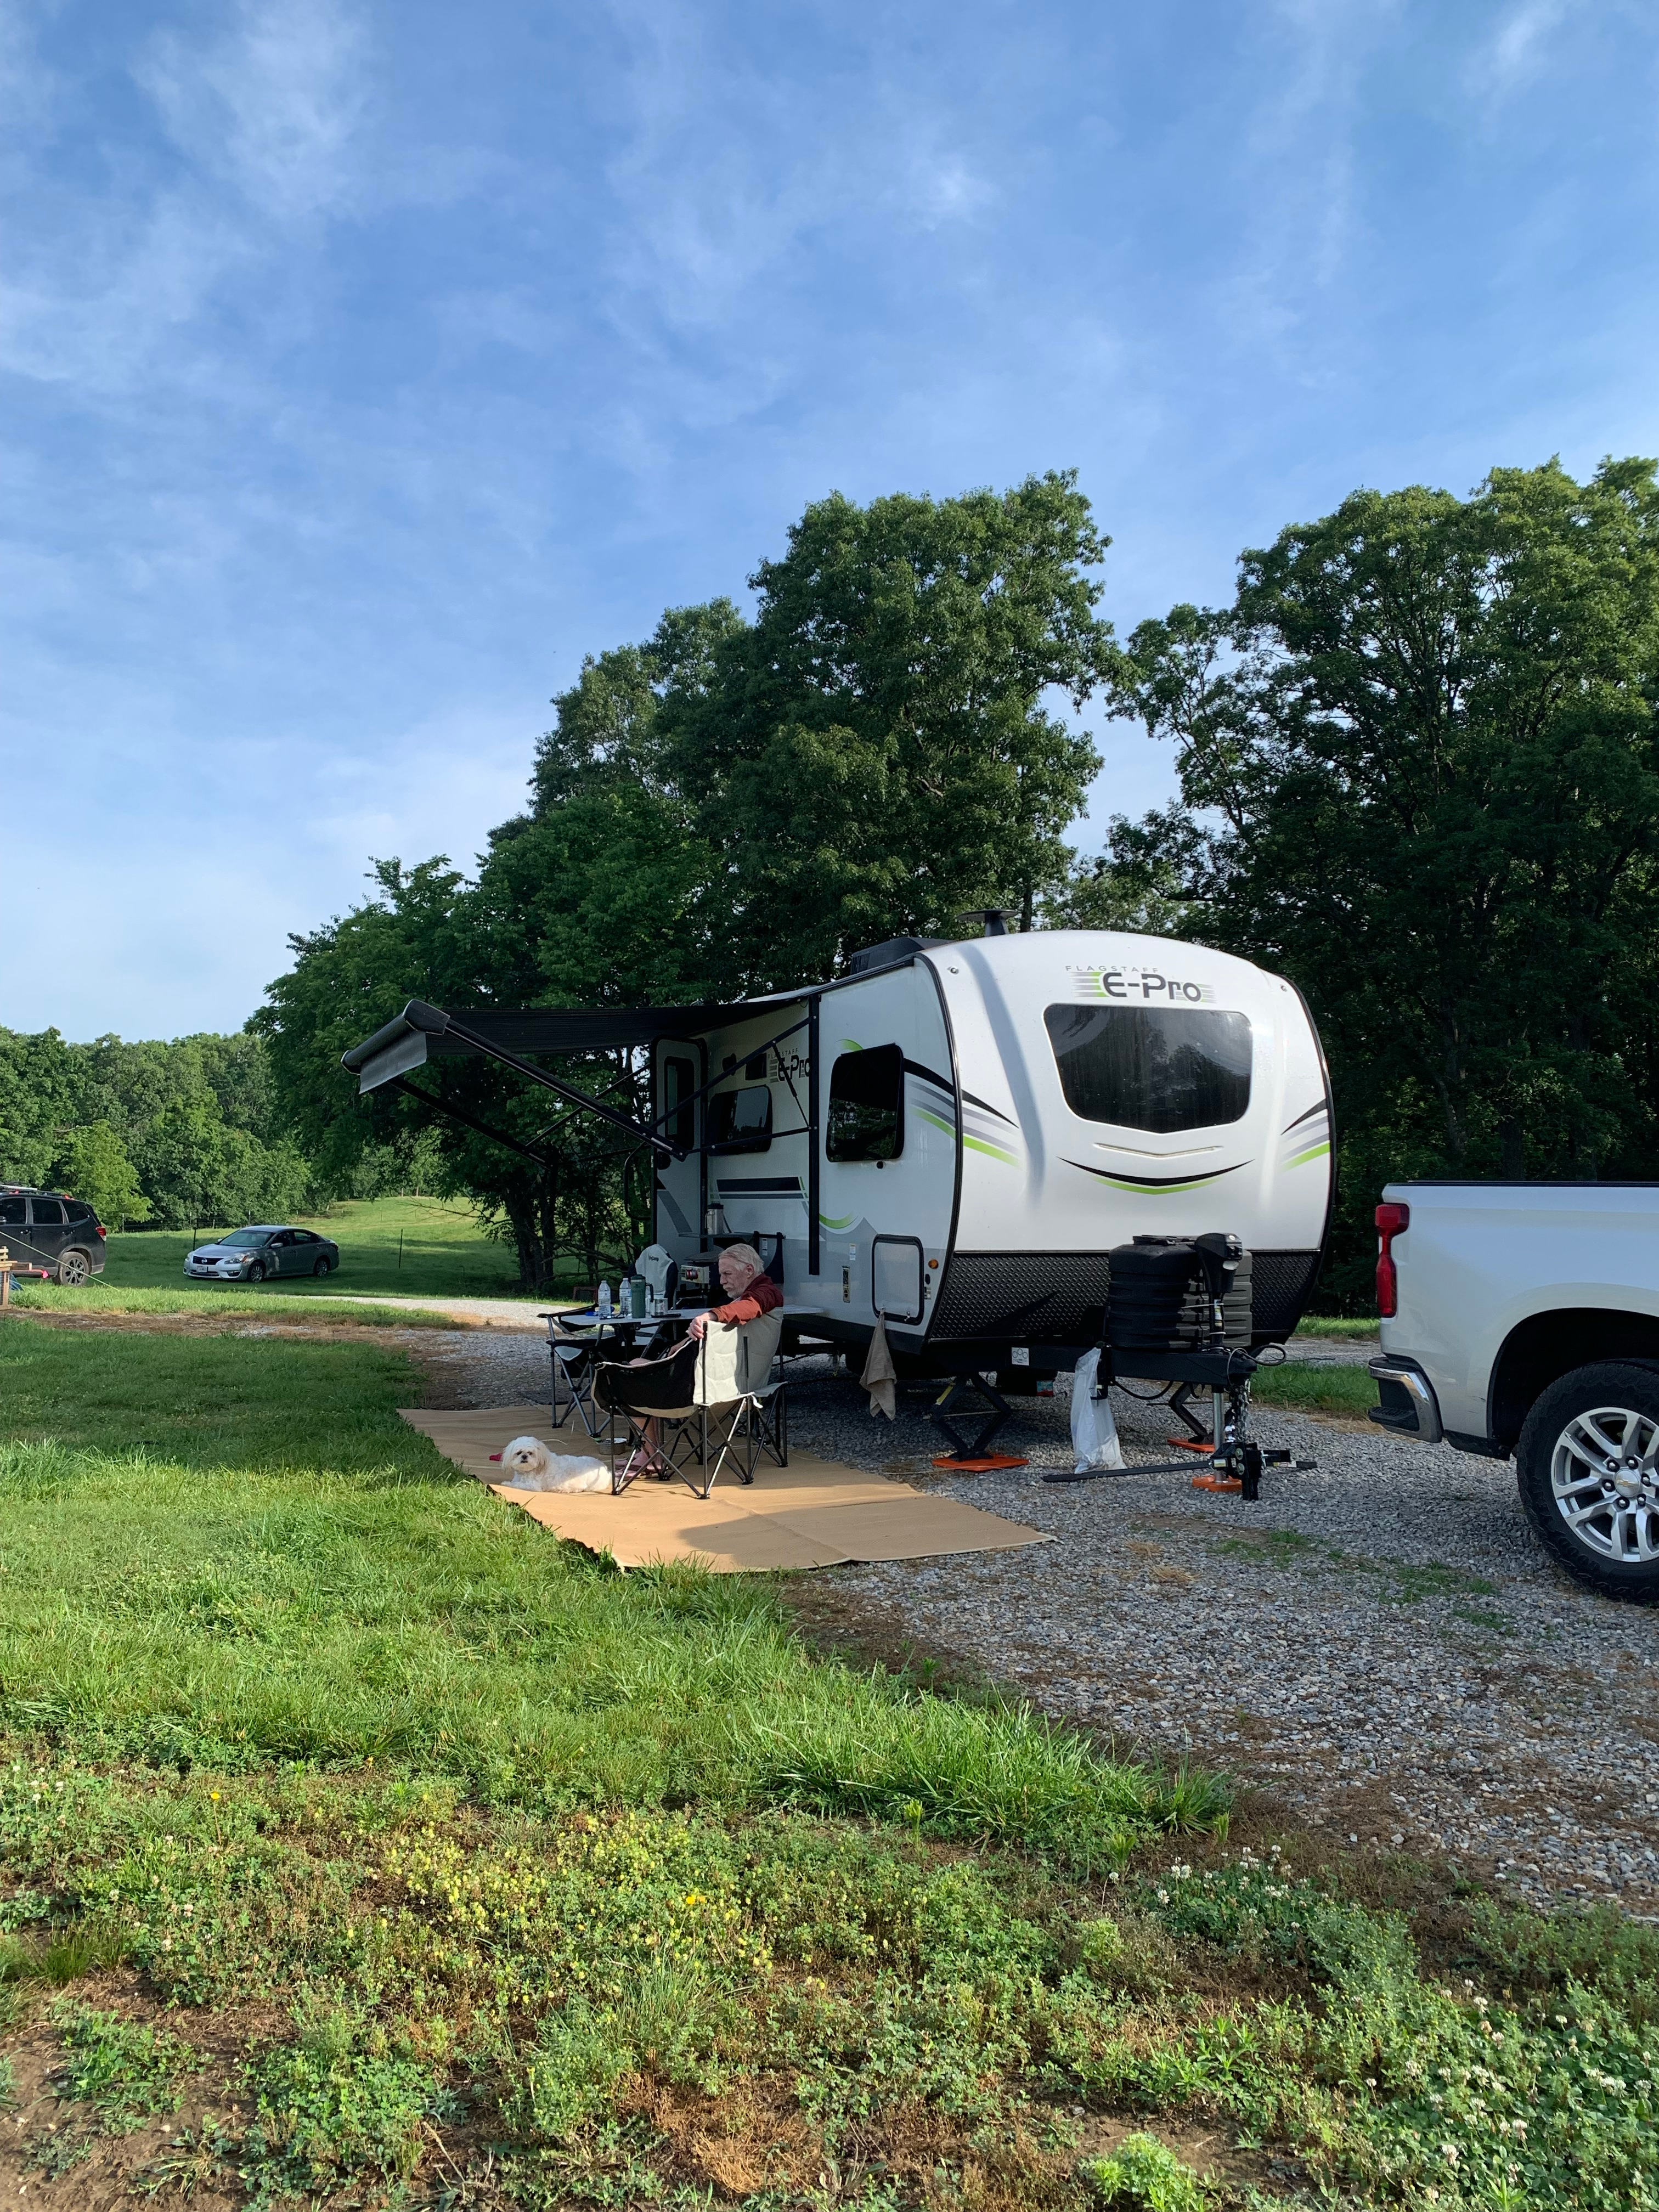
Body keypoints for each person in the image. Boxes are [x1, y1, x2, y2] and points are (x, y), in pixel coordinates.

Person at [688, 1243, 783, 1336]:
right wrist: (684, 1343)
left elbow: (751, 1305)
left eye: (728, 1273)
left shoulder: (767, 1292)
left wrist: (710, 1316)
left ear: (749, 1270)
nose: (722, 1281)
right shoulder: (746, 1293)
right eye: (721, 1275)